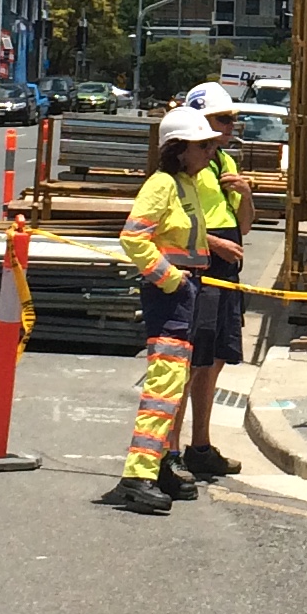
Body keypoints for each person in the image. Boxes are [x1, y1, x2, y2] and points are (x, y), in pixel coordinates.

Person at [101, 106, 220, 518]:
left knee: (174, 384)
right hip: (171, 294)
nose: (211, 151)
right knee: (164, 387)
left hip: (185, 292)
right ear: (179, 149)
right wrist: (172, 280)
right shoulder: (162, 184)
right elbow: (134, 238)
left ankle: (160, 466)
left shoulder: (184, 183)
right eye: (203, 145)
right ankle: (138, 476)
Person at [173, 82, 254, 478]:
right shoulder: (184, 169)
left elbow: (246, 225)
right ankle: (171, 448)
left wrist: (247, 194)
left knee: (216, 357)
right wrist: (215, 244)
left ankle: (199, 445)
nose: (229, 126)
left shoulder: (223, 163)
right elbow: (171, 226)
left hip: (226, 271)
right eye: (222, 119)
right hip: (202, 269)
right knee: (193, 359)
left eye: (231, 120)